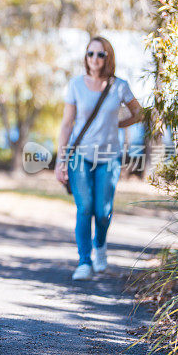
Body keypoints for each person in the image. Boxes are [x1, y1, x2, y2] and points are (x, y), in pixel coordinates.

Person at [55, 36, 143, 281]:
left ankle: (100, 247)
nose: (94, 59)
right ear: (86, 57)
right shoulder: (75, 85)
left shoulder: (119, 86)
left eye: (100, 54)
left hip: (109, 156)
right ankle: (84, 261)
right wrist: (61, 160)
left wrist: (118, 123)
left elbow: (139, 113)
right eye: (90, 54)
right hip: (79, 155)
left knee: (103, 212)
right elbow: (66, 125)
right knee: (85, 208)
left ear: (108, 57)